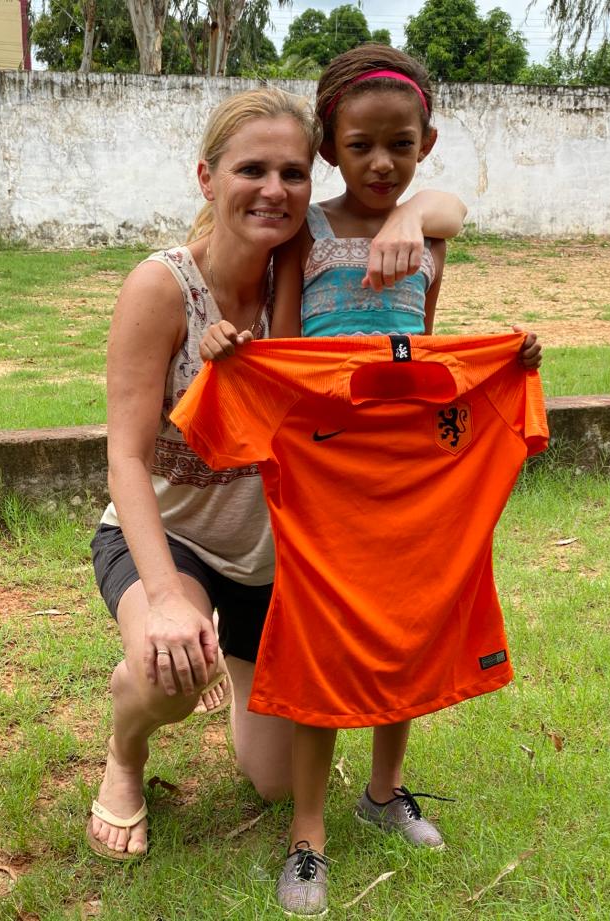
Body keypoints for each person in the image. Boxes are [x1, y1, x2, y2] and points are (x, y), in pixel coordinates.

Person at [198, 46, 541, 916]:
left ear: (426, 144)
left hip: (410, 467)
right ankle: (307, 833)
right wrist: (236, 355)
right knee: (321, 636)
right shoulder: (304, 234)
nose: (381, 162)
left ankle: (384, 793)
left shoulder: (429, 233)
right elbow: (284, 351)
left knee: (410, 620)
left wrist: (507, 359)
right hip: (326, 471)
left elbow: (423, 347)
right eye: (360, 146)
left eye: (400, 145)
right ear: (329, 148)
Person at [87, 84, 468, 862]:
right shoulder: (164, 287)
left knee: (272, 783)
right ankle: (126, 751)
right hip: (176, 538)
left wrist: (406, 214)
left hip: (275, 561)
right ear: (207, 178)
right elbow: (124, 456)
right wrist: (167, 599)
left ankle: (227, 652)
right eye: (251, 170)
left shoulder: (313, 283)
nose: (273, 189)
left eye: (292, 173)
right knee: (167, 672)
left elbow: (441, 210)